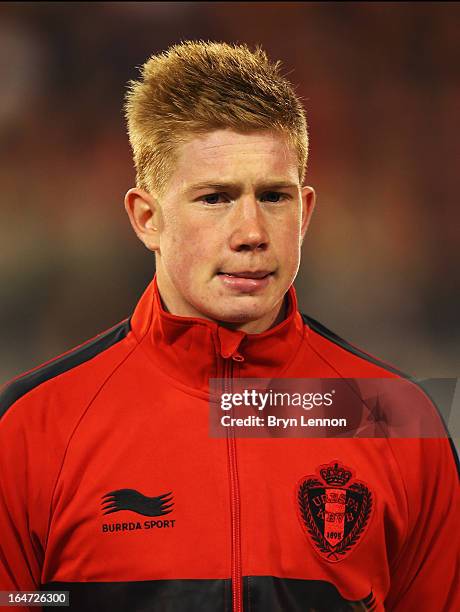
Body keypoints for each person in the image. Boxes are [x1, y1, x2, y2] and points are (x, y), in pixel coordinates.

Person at [0, 41, 458, 612]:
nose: (251, 231)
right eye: (215, 198)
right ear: (147, 219)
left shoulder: (396, 419)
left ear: (306, 211)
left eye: (273, 196)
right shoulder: (29, 428)